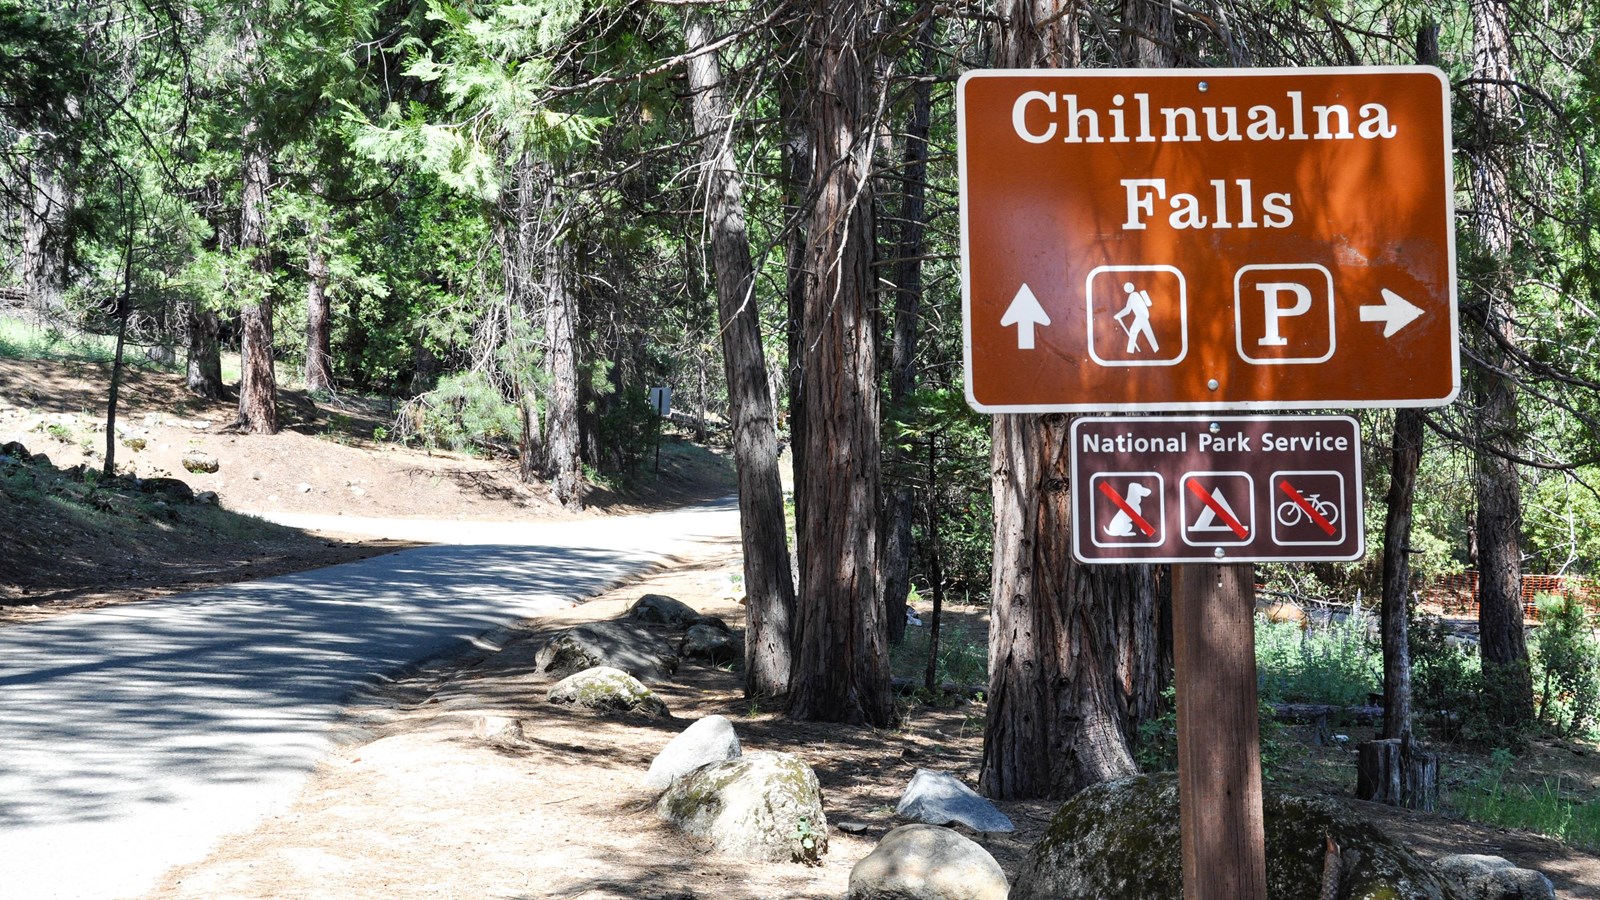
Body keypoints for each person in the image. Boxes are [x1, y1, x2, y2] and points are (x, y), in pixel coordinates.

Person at [1113, 281, 1157, 353]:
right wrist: (1118, 315)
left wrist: (1118, 315)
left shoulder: (1132, 296)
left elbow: (1127, 310)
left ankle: (1130, 351)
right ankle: (1156, 349)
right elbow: (1128, 310)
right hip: (1144, 315)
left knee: (1133, 330)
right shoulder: (1136, 294)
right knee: (1148, 331)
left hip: (1140, 316)